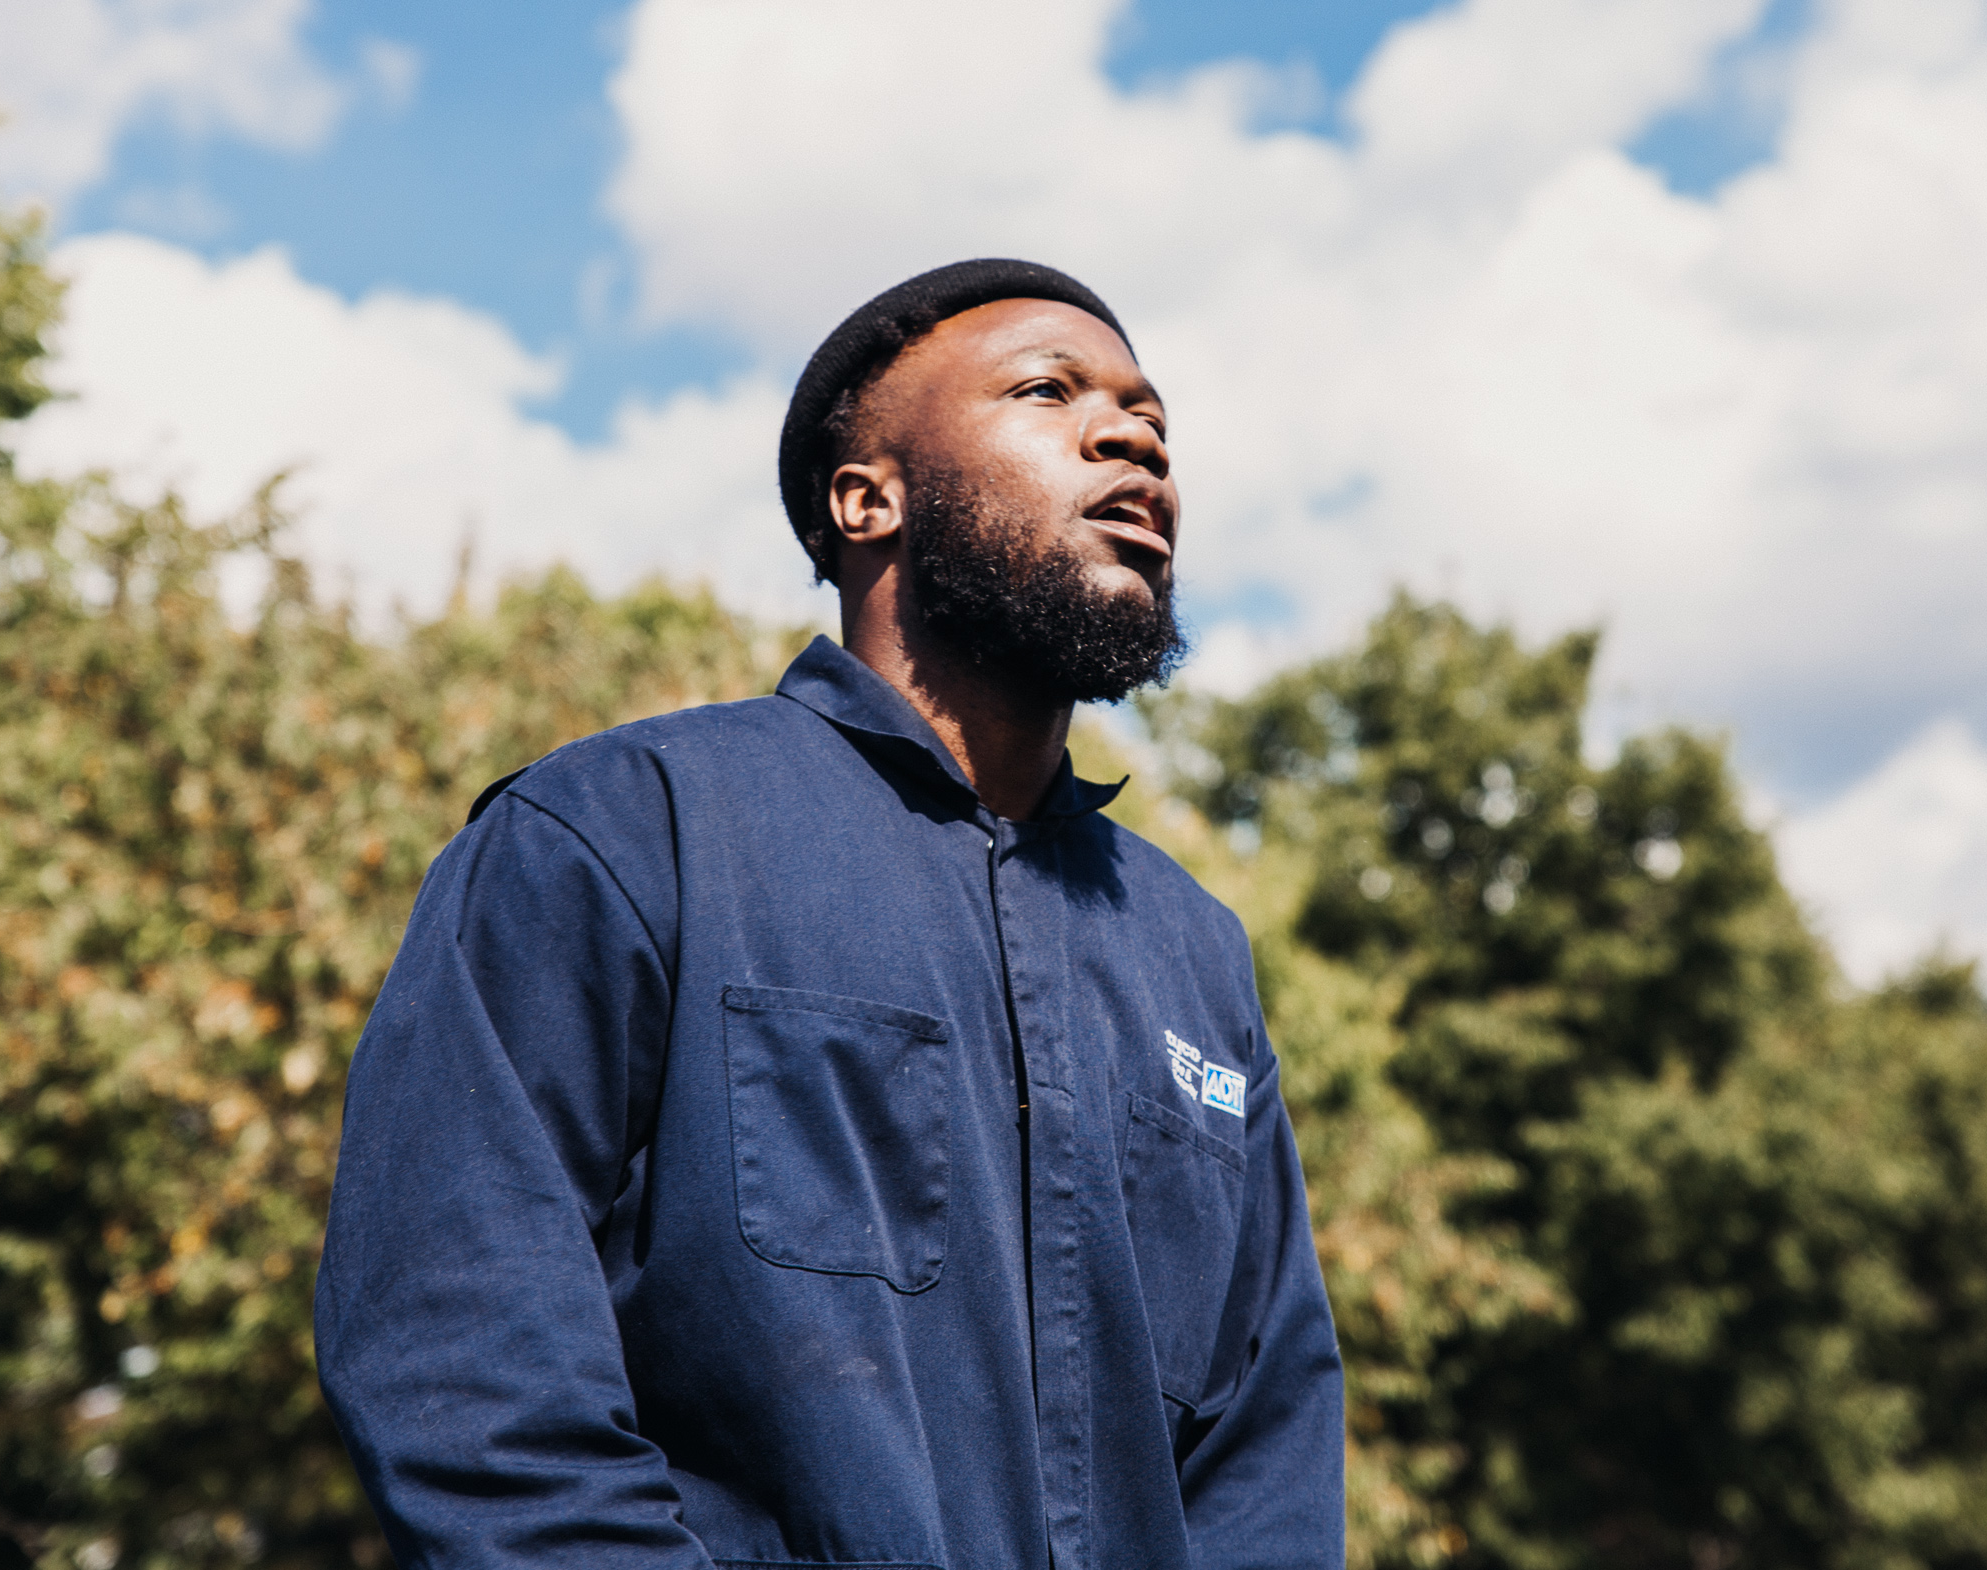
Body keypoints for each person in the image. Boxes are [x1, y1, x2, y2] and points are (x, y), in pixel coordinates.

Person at [315, 259, 1344, 1570]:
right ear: (869, 499)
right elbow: (463, 1362)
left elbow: (1267, 1452)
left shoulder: (1193, 951)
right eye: (1049, 390)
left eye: (1150, 417)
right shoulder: (620, 831)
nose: (1132, 436)